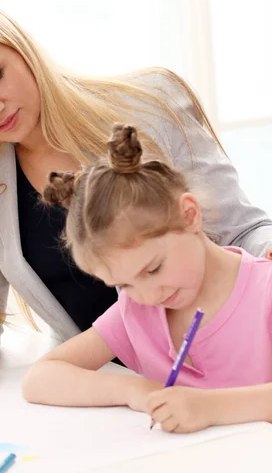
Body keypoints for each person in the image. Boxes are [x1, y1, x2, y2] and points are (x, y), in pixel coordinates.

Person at [0, 0, 272, 399]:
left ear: (22, 48)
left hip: (230, 365)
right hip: (111, 393)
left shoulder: (152, 103)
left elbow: (241, 230)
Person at [22, 124, 272, 433]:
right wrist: (136, 391)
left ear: (189, 215)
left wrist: (209, 408)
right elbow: (40, 378)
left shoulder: (265, 292)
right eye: (123, 284)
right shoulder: (137, 310)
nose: (148, 295)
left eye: (152, 269)